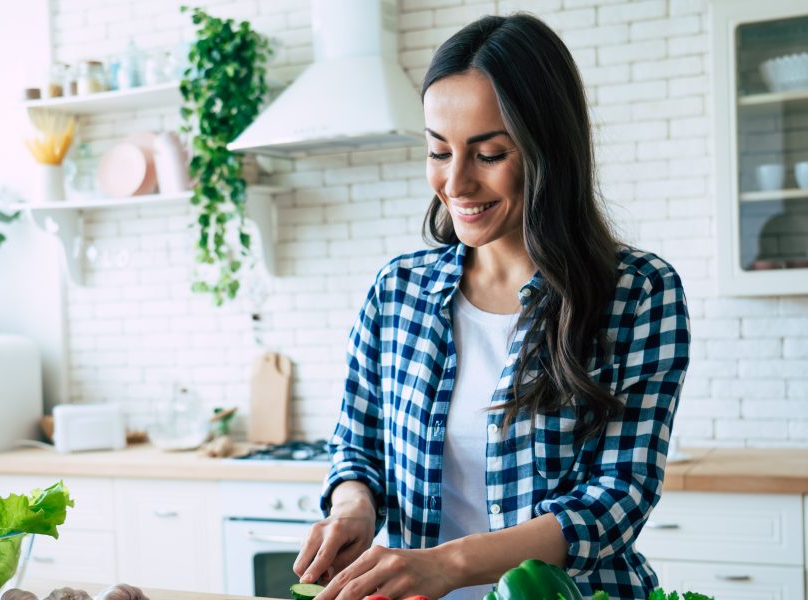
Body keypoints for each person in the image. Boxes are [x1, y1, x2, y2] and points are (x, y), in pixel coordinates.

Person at [291, 12, 691, 600]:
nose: (455, 183)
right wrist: (353, 506)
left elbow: (618, 495)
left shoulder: (637, 293)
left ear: (545, 151)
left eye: (488, 154)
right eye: (438, 150)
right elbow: (358, 445)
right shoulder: (397, 291)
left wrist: (448, 565)